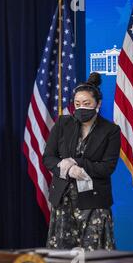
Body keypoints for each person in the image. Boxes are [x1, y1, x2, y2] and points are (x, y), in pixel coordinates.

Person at [42, 72, 121, 251]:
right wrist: (67, 170)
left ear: (98, 104)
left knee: (94, 258)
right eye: (77, 104)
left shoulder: (111, 130)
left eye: (87, 104)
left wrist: (76, 162)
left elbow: (107, 168)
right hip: (63, 200)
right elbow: (48, 157)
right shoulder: (63, 123)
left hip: (94, 203)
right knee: (64, 258)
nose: (81, 108)